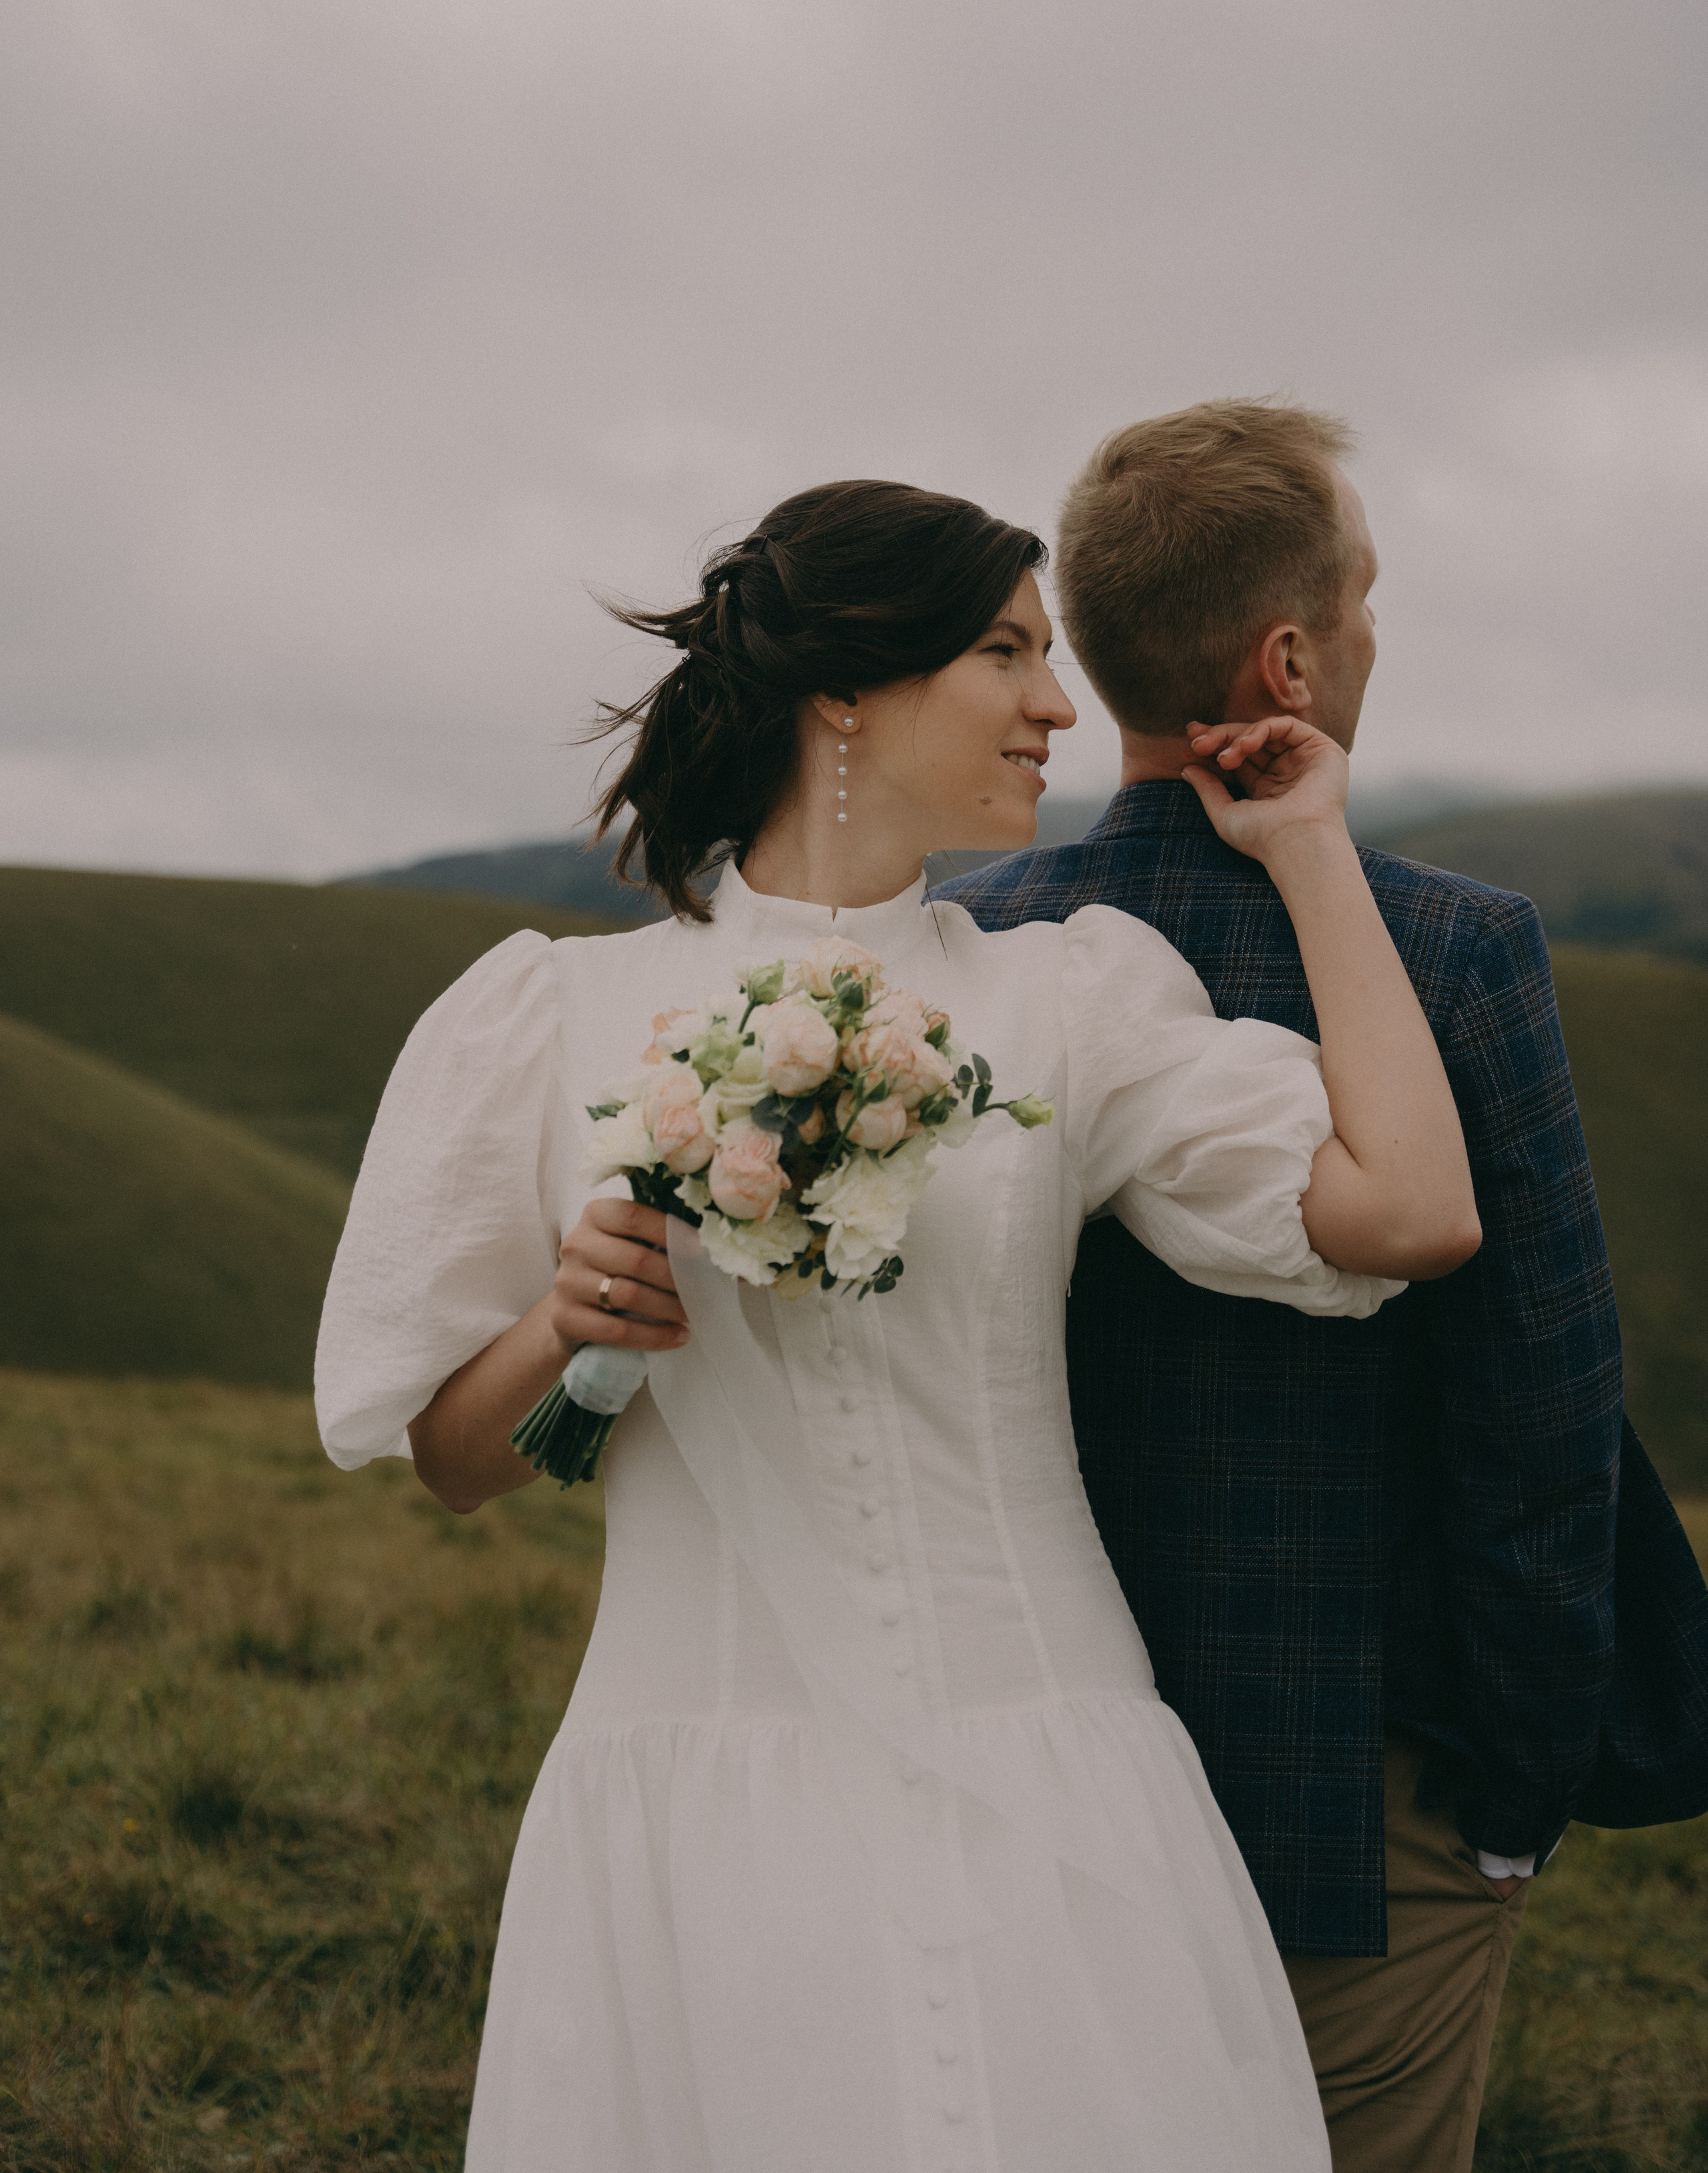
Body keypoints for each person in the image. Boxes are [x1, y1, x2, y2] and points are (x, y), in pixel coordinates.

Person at [315, 478, 1484, 2172]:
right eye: (1005, 652)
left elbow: (1411, 1211)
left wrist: (1310, 849)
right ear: (845, 690)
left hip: (1051, 1775)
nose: (1056, 705)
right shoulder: (547, 1016)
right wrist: (565, 1324)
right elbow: (450, 1461)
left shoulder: (1066, 993)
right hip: (696, 1795)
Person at [937, 402, 1708, 2173]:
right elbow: (1545, 1404)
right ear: (1287, 652)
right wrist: (1517, 1794)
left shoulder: (974, 954)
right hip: (1371, 1817)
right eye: (1364, 595)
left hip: (1027, 1791)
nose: (1375, 629)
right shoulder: (1453, 947)